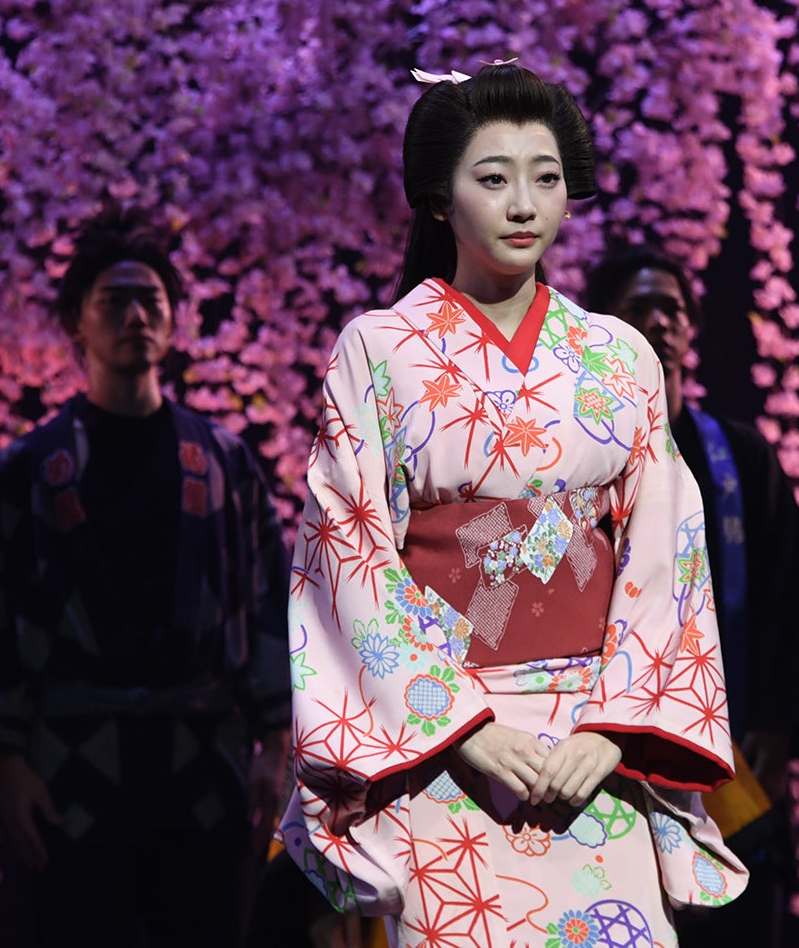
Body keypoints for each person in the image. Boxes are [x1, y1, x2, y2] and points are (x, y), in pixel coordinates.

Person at [278, 62, 747, 948]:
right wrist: (459, 728)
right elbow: (349, 550)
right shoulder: (380, 349)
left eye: (546, 177)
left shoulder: (619, 355)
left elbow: (664, 552)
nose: (524, 203)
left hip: (593, 741)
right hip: (449, 747)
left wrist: (614, 730)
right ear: (439, 198)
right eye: (493, 178)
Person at [0, 215, 292, 947]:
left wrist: (275, 748)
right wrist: (8, 765)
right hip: (71, 769)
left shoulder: (224, 461)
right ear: (75, 324)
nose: (135, 316)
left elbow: (270, 604)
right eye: (114, 301)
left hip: (205, 760)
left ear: (174, 321)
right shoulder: (29, 468)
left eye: (151, 300)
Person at [584, 247, 799, 946]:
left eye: (673, 308)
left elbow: (788, 600)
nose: (661, 322)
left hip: (732, 755)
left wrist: (779, 733)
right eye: (640, 308)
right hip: (603, 753)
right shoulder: (572, 456)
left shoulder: (739, 457)